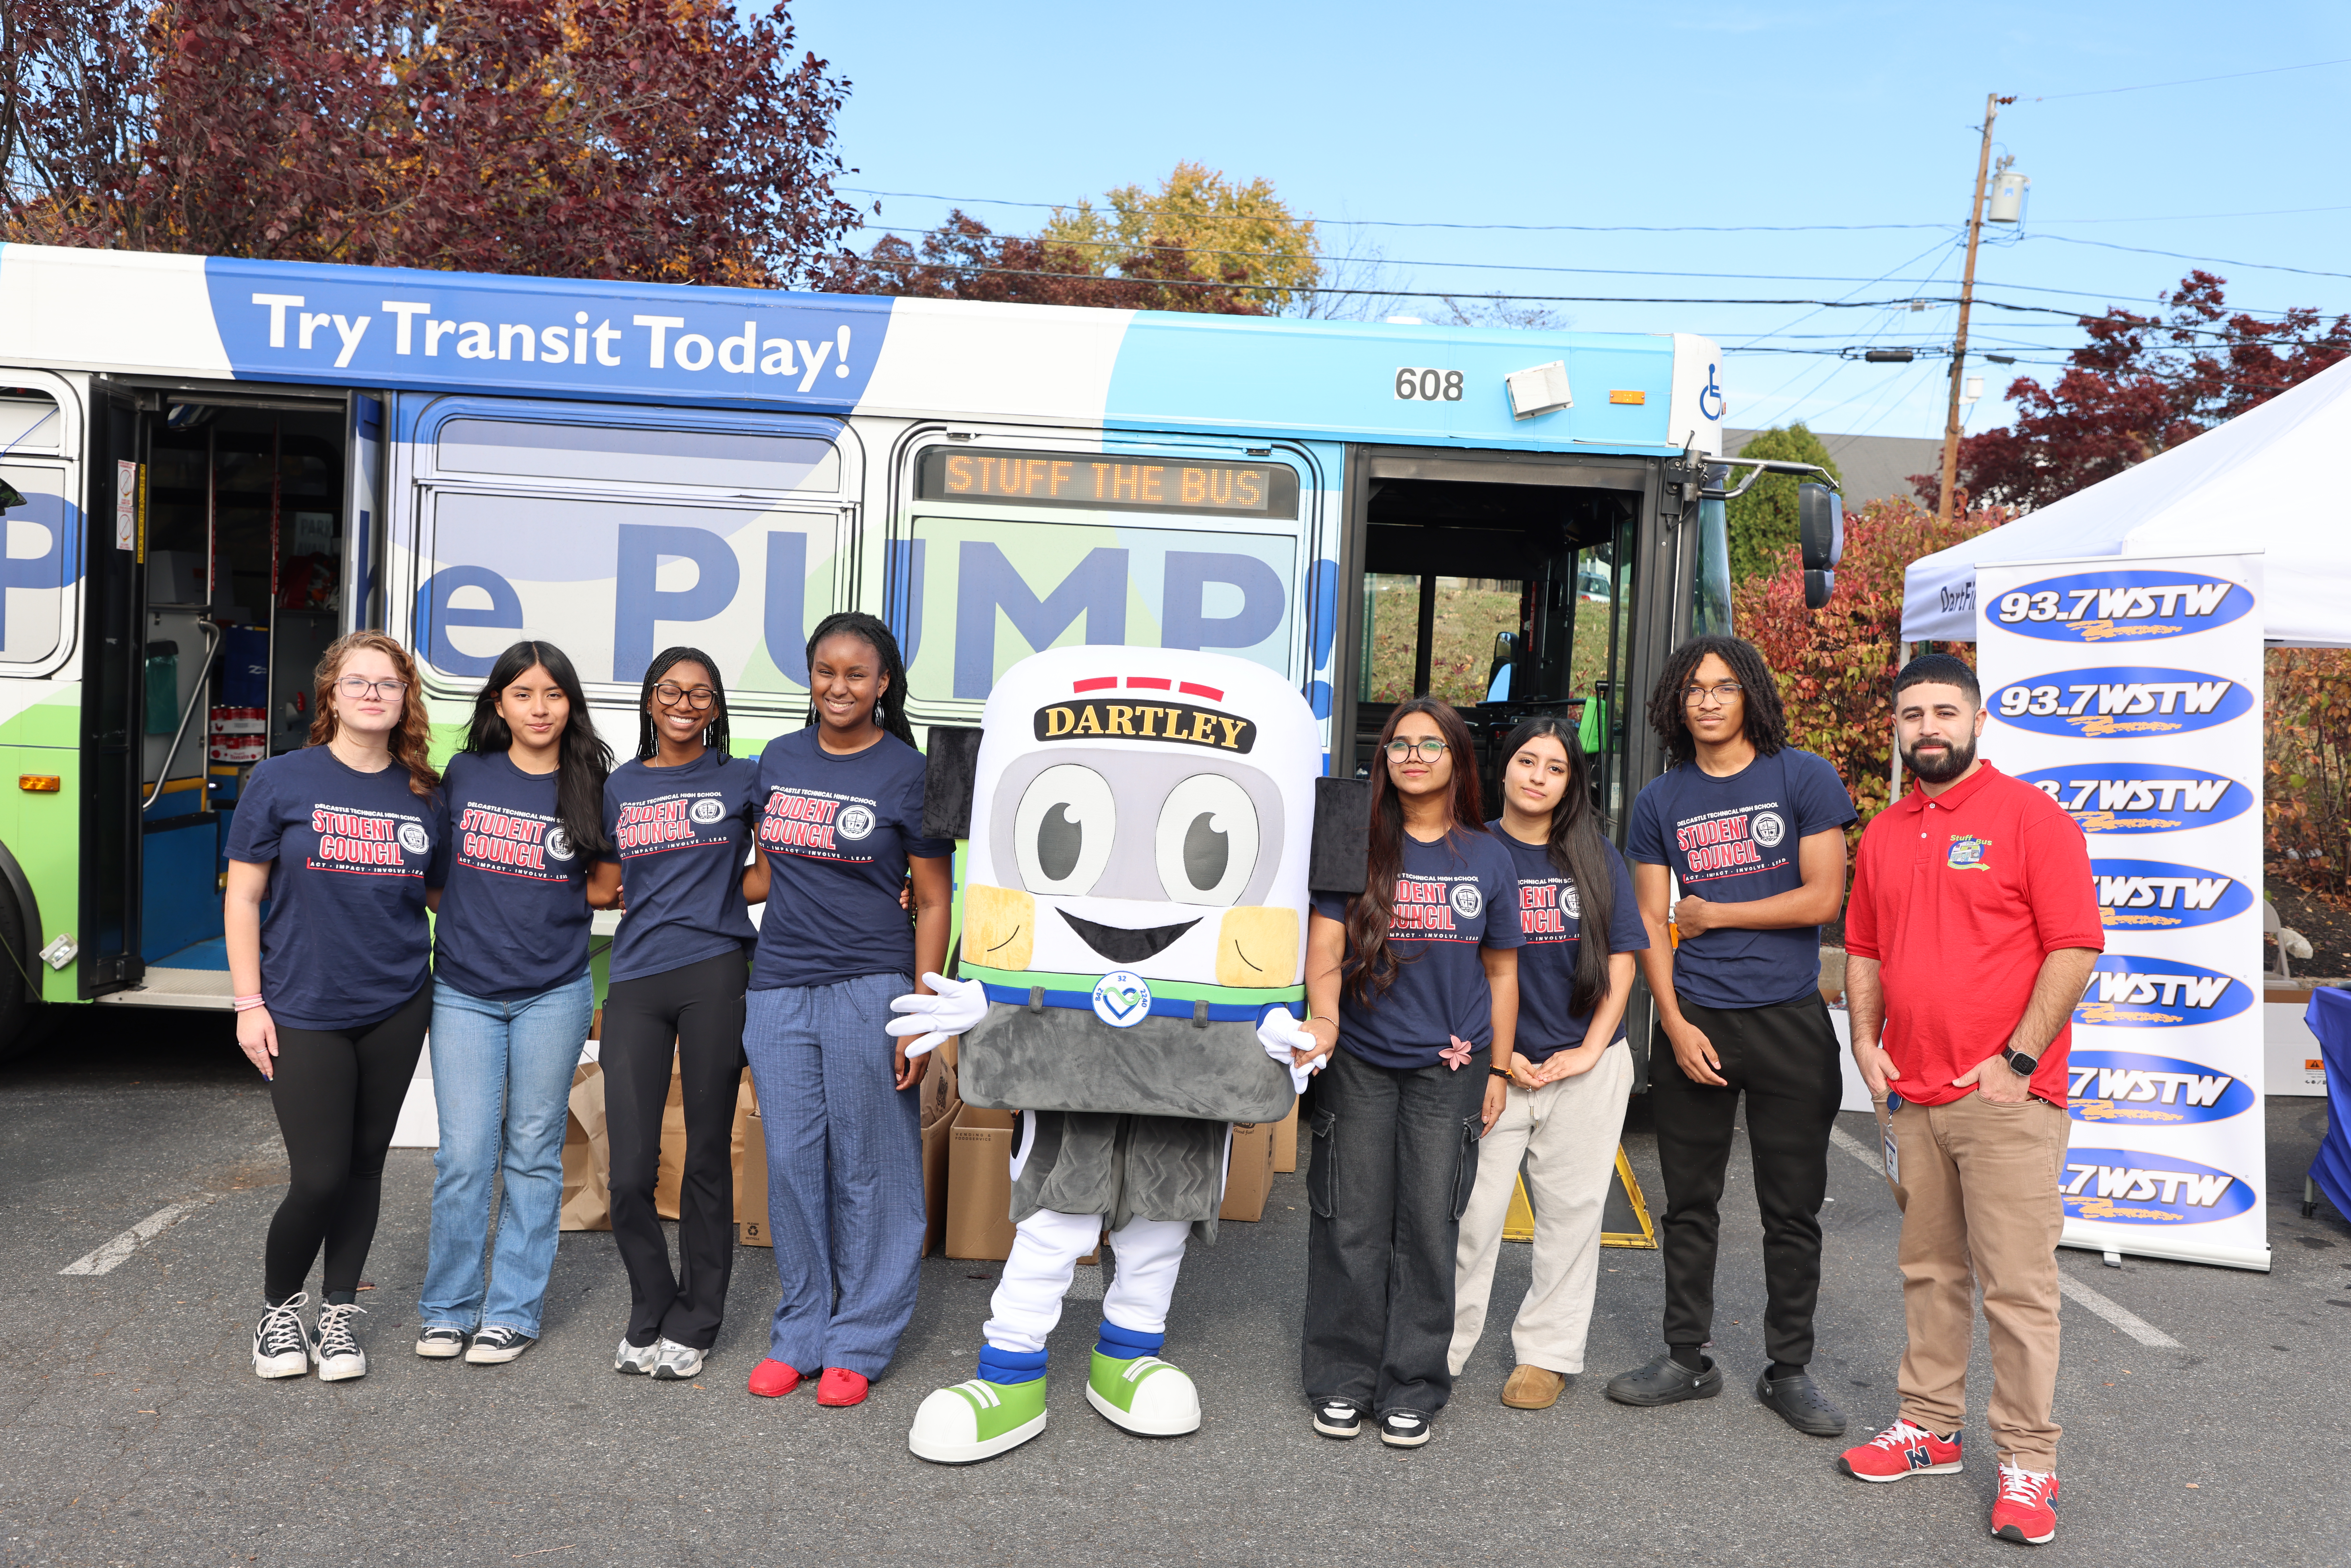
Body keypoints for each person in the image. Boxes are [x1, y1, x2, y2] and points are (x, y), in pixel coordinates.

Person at [1838, 653, 2102, 1548]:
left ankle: (2030, 1465)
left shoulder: (2032, 819)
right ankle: (1930, 1430)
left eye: (1944, 711)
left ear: (1979, 719)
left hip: (2004, 1099)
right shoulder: (1883, 831)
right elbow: (1865, 949)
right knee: (1930, 1272)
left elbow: (2074, 946)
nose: (1928, 728)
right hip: (1910, 1095)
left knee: (2019, 1290)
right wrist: (1865, 1046)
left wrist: (2018, 1062)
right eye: (1912, 714)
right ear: (1899, 729)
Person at [1608, 633, 1856, 1437]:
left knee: (1791, 1210)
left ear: (1751, 694)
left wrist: (1718, 912)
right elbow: (1649, 920)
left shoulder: (1804, 777)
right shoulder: (1661, 800)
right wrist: (1673, 1025)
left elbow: (1823, 898)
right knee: (1691, 1205)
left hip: (1789, 1018)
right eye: (1694, 689)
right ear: (1677, 705)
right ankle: (1687, 1358)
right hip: (1699, 1020)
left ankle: (1790, 1370)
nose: (1709, 701)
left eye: (1724, 687)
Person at [740, 613, 954, 1409]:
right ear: (810, 677)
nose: (839, 687)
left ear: (883, 684)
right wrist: (676, 887)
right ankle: (800, 1331)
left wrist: (923, 1014)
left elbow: (933, 899)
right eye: (826, 672)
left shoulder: (910, 772)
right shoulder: (779, 760)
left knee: (873, 1166)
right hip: (779, 984)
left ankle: (860, 1338)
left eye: (856, 675)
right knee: (794, 1162)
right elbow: (766, 873)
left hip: (872, 983)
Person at [1297, 698, 1521, 1448]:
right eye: (1400, 745)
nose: (1415, 756)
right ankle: (1342, 1378)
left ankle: (1413, 1383)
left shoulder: (1489, 856)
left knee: (1430, 1226)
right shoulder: (1353, 842)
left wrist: (1496, 1070)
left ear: (1458, 759)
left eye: (1431, 745)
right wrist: (1325, 1021)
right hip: (1359, 1061)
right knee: (1350, 1223)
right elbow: (1324, 945)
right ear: (1383, 759)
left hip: (1448, 1070)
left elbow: (1502, 973)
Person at [227, 631, 445, 1382]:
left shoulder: (424, 792)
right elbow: (245, 896)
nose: (373, 695)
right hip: (302, 1005)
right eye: (358, 682)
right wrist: (248, 1003)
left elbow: (444, 894)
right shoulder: (280, 781)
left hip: (396, 1001)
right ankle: (279, 1312)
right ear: (331, 694)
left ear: (404, 698)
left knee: (363, 1167)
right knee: (318, 1175)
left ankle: (341, 1313)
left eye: (387, 684)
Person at [414, 642, 612, 1366]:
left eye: (554, 694)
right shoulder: (466, 773)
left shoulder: (589, 780)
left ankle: (513, 1311)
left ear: (571, 704)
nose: (539, 707)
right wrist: (479, 912)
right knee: (464, 1154)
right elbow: (436, 877)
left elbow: (604, 884)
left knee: (533, 1154)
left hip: (553, 993)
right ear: (498, 703)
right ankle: (447, 1309)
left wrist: (537, 904)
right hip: (463, 990)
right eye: (523, 693)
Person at [1449, 717, 1647, 1410]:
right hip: (1494, 1066)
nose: (1537, 775)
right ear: (1502, 769)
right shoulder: (1468, 850)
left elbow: (1622, 959)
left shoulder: (1595, 855)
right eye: (1526, 761)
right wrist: (1498, 1061)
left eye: (1555, 767)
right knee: (1470, 1213)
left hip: (1585, 1065)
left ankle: (1546, 1353)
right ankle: (1440, 1343)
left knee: (1572, 1214)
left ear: (1571, 782)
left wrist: (1591, 1049)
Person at [588, 647, 761, 1382]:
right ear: (650, 703)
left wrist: (722, 896)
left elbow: (772, 867)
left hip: (716, 970)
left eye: (701, 692)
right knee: (628, 1170)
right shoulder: (619, 785)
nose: (685, 702)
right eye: (671, 691)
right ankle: (652, 1302)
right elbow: (602, 884)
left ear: (716, 708)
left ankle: (697, 1318)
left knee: (705, 1155)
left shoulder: (743, 778)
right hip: (636, 977)